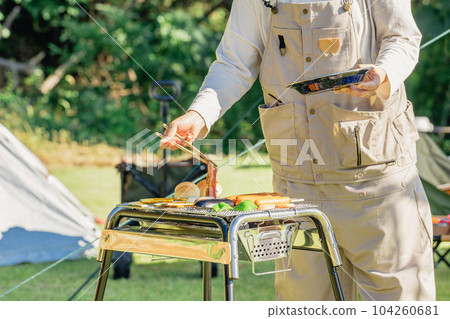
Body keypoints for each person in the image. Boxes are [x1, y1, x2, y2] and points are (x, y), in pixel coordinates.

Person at [160, 0, 435, 301]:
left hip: (377, 184)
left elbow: (402, 37)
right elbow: (234, 63)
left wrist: (384, 73)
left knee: (400, 302)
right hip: (297, 190)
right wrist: (199, 114)